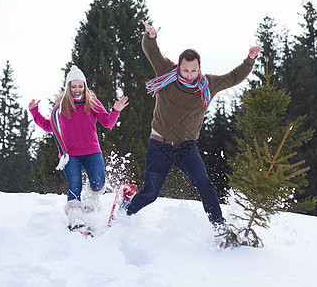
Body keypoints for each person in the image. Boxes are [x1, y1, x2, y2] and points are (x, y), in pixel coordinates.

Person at [125, 20, 262, 227]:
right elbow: (152, 52)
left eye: (193, 71)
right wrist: (150, 37)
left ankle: (219, 226)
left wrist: (249, 60)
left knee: (204, 184)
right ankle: (124, 213)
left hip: (186, 147)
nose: (189, 75)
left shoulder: (209, 84)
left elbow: (234, 77)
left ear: (199, 68)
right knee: (150, 194)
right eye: (185, 70)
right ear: (178, 66)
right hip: (159, 145)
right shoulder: (166, 72)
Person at [28, 65, 129, 231]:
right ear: (68, 87)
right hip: (70, 155)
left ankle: (91, 198)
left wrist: (115, 110)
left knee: (98, 182)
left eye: (80, 86)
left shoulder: (92, 103)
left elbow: (108, 122)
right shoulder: (60, 108)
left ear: (85, 86)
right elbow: (49, 126)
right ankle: (75, 217)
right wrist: (34, 112)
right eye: (73, 86)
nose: (77, 90)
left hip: (92, 151)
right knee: (74, 185)